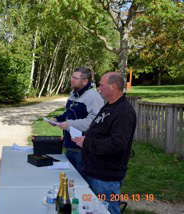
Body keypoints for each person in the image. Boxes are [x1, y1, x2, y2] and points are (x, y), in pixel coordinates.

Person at [72, 72, 137, 214]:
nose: (98, 88)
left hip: (106, 177)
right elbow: (100, 131)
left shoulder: (123, 111)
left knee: (107, 210)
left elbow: (117, 144)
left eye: (101, 85)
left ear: (113, 87)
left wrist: (87, 143)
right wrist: (84, 139)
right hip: (94, 171)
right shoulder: (109, 106)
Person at [48, 67, 104, 175]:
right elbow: (68, 113)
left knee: (81, 183)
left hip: (83, 149)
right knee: (70, 181)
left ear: (85, 81)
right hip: (70, 145)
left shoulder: (93, 97)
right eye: (72, 77)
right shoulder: (74, 93)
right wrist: (56, 119)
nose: (71, 80)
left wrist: (69, 124)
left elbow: (95, 122)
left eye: (75, 78)